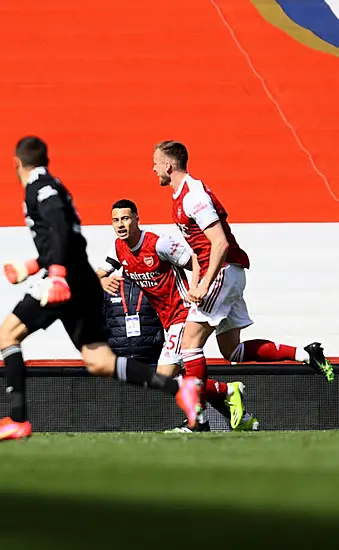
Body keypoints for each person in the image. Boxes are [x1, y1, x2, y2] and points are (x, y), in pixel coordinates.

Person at [0, 137, 198, 442]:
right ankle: (177, 388)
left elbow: (61, 228)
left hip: (65, 279)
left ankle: (17, 420)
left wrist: (55, 273)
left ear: (16, 163)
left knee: (6, 335)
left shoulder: (38, 187)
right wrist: (31, 265)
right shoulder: (54, 183)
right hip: (81, 280)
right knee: (100, 361)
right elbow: (64, 239)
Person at [153, 140, 333, 428]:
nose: (153, 169)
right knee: (231, 351)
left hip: (224, 270)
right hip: (229, 273)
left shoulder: (193, 196)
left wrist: (205, 284)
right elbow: (200, 249)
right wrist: (195, 285)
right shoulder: (181, 196)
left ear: (168, 165)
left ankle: (196, 420)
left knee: (190, 344)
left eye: (155, 163)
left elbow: (220, 243)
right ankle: (305, 354)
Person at [97, 199, 259, 432]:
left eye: (125, 218)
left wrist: (198, 288)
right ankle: (235, 409)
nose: (120, 224)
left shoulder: (159, 244)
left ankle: (202, 417)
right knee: (186, 377)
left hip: (183, 314)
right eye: (115, 220)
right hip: (167, 320)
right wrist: (102, 280)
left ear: (136, 219)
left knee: (164, 375)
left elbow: (195, 260)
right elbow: (98, 274)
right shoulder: (117, 248)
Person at [102, 274, 164, 366]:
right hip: (117, 362)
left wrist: (158, 340)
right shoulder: (111, 286)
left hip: (151, 360)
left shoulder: (155, 286)